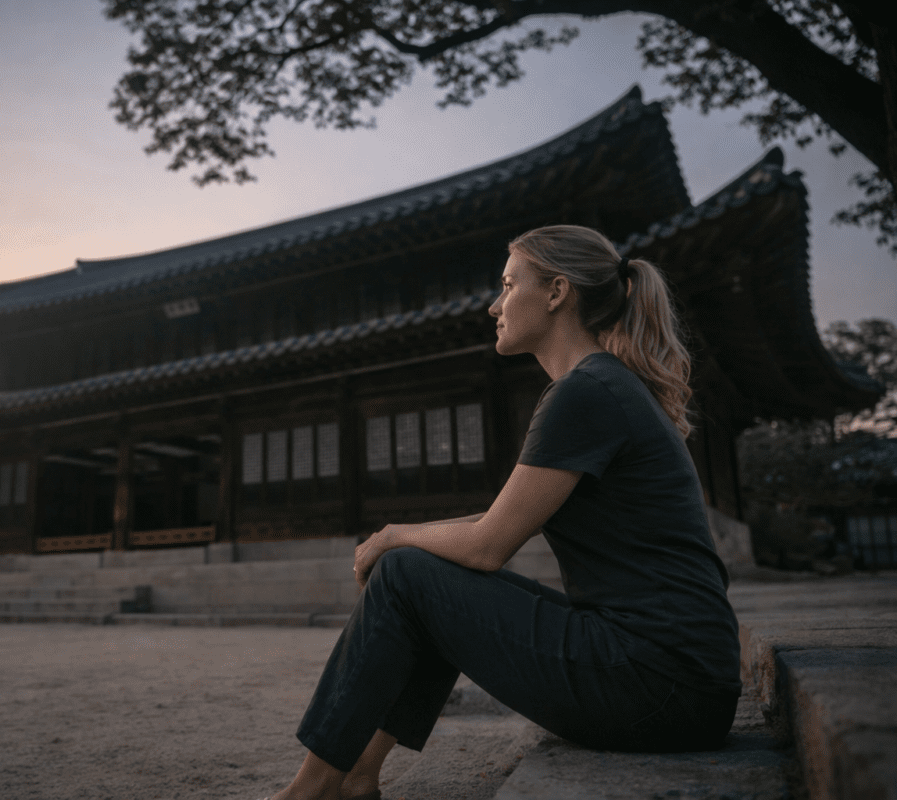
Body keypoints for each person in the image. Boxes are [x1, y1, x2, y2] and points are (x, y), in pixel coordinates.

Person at [264, 225, 742, 800]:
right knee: (430, 573)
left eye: (509, 284)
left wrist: (390, 535)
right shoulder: (602, 386)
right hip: (680, 684)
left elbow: (489, 544)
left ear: (556, 292)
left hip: (655, 683)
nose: (494, 304)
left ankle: (311, 790)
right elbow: (494, 526)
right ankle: (360, 774)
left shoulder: (584, 392)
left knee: (406, 572)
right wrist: (403, 540)